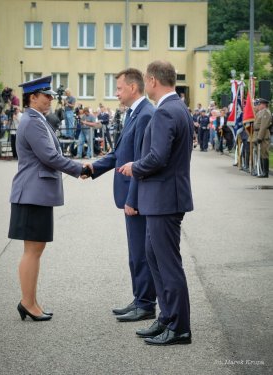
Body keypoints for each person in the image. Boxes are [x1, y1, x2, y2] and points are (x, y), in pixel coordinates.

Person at [119, 60, 193, 345]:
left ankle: (180, 327)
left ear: (151, 81)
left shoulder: (165, 112)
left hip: (164, 200)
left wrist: (134, 167)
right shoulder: (177, 107)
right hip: (164, 199)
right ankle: (166, 317)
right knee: (155, 259)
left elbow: (158, 157)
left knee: (167, 264)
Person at [8, 76, 90, 322]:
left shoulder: (37, 120)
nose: (51, 99)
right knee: (32, 250)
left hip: (36, 194)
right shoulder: (33, 122)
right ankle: (27, 303)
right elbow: (49, 156)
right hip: (32, 194)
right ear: (33, 97)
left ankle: (31, 301)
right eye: (47, 95)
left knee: (35, 249)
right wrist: (79, 169)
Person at [84, 68, 156, 322]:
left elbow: (140, 161)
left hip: (136, 197)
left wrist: (133, 199)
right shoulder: (135, 113)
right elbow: (119, 154)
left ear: (133, 88)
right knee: (135, 252)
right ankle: (140, 299)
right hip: (130, 194)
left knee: (141, 252)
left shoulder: (146, 114)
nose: (116, 93)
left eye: (119, 88)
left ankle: (146, 304)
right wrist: (93, 168)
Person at [252, 98, 272, 178]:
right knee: (259, 153)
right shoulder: (260, 112)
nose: (258, 106)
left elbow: (263, 126)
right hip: (257, 133)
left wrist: (259, 138)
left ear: (263, 105)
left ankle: (265, 172)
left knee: (264, 153)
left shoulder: (266, 112)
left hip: (263, 135)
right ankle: (260, 170)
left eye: (259, 104)